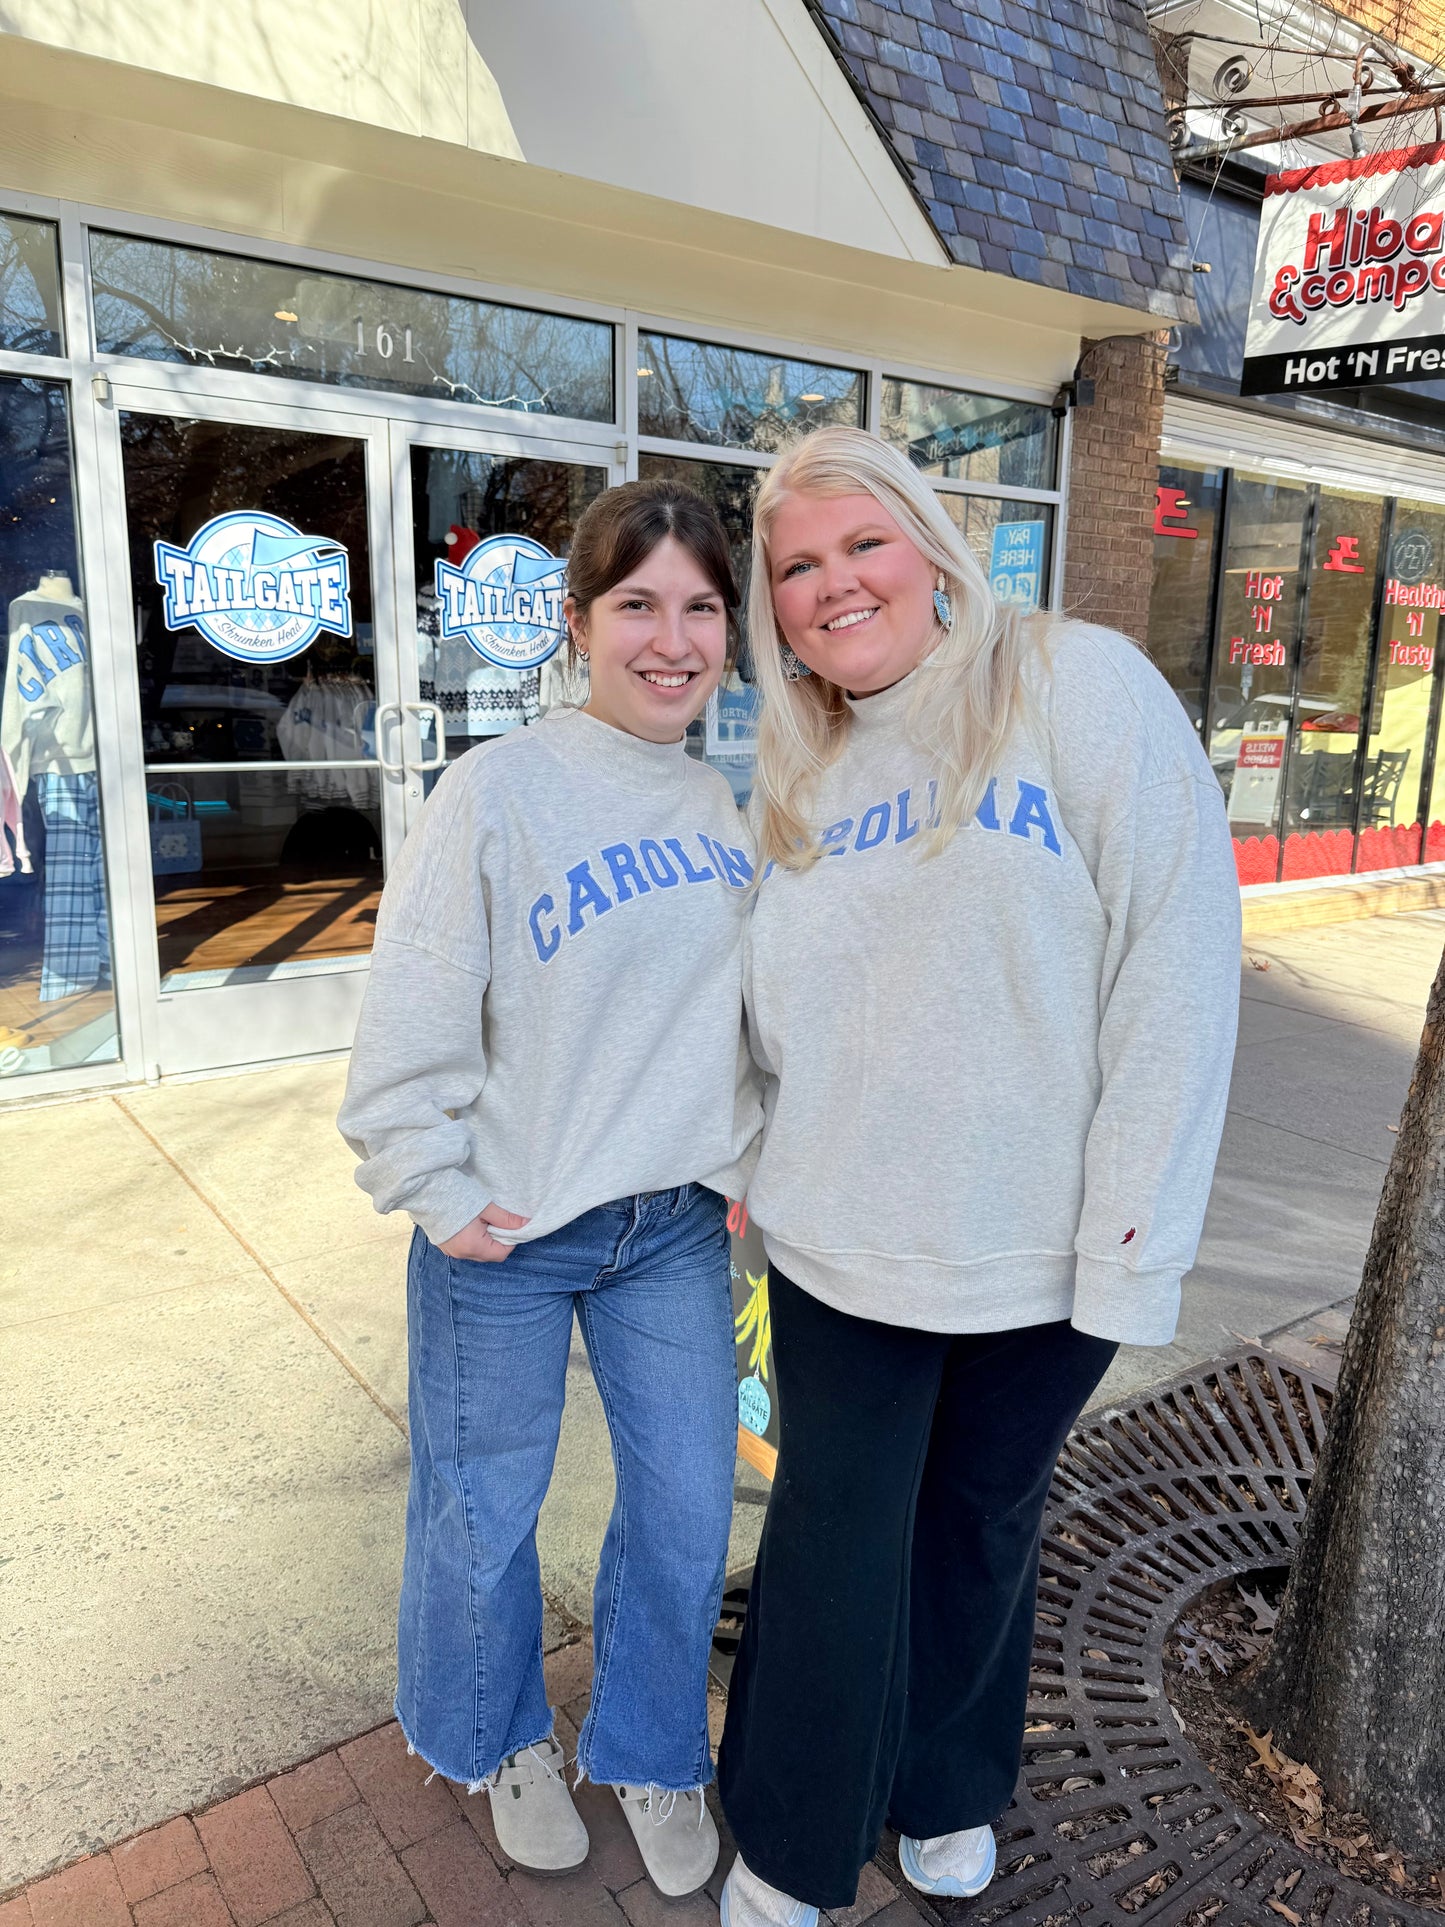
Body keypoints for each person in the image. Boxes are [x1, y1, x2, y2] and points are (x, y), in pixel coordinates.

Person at [716, 426, 1241, 1927]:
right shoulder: (800, 763)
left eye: (859, 544)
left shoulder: (1076, 683)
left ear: (929, 546)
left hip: (1041, 1254)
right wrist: (744, 1161)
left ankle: (945, 1788)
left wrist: (1133, 1241)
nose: (833, 585)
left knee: (978, 1537)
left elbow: (1175, 972)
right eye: (796, 568)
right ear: (775, 609)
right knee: (832, 1548)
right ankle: (792, 1839)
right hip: (836, 1248)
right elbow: (758, 1010)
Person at [337, 478, 760, 1901]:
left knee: (688, 1508)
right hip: (508, 1232)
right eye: (637, 604)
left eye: (699, 607)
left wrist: (744, 1156)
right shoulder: (497, 790)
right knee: (482, 1513)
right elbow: (414, 1005)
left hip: (669, 1230)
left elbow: (732, 1018)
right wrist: (431, 1181)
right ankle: (500, 1737)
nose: (671, 639)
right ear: (578, 624)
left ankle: (649, 1747)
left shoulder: (717, 804)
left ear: (729, 630)